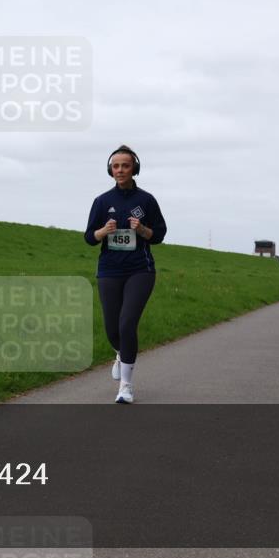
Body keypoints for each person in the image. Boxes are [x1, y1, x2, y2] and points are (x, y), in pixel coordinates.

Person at [84, 145, 167, 404]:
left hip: (140, 270)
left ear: (134, 169)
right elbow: (89, 237)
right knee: (112, 329)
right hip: (109, 270)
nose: (120, 170)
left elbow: (159, 235)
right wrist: (102, 232)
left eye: (125, 166)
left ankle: (126, 386)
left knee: (127, 323)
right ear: (110, 169)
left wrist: (142, 230)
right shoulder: (102, 201)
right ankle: (121, 354)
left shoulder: (147, 200)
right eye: (116, 166)